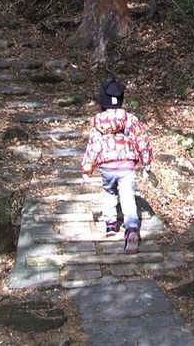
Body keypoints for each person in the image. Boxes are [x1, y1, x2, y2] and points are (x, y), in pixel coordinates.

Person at [80, 77, 153, 254]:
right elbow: (141, 140)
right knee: (128, 197)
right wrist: (146, 163)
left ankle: (110, 225)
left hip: (107, 167)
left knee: (109, 193)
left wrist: (87, 168)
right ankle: (132, 230)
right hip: (127, 166)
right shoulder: (130, 120)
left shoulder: (98, 123)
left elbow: (93, 145)